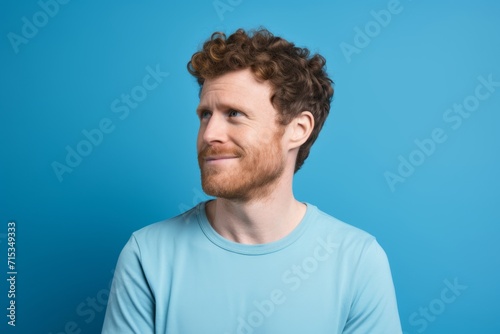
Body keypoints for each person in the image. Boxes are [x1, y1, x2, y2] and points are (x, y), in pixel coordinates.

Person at [102, 28, 402, 333]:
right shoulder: (147, 255)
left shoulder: (357, 261)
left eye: (234, 113)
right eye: (205, 115)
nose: (209, 135)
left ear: (298, 129)